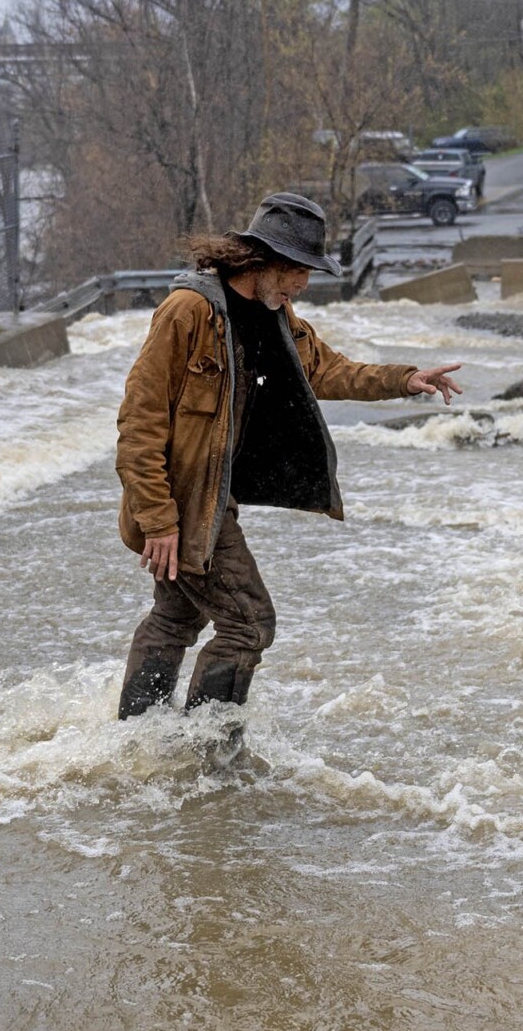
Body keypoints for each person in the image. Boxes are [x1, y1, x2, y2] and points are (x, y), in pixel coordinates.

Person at [112, 192, 463, 718]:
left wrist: (404, 379)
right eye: (301, 270)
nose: (304, 283)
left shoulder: (275, 312)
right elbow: (139, 423)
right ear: (265, 260)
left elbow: (324, 369)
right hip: (182, 507)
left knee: (175, 619)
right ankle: (211, 756)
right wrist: (159, 520)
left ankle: (138, 737)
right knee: (249, 624)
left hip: (214, 498)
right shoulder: (188, 312)